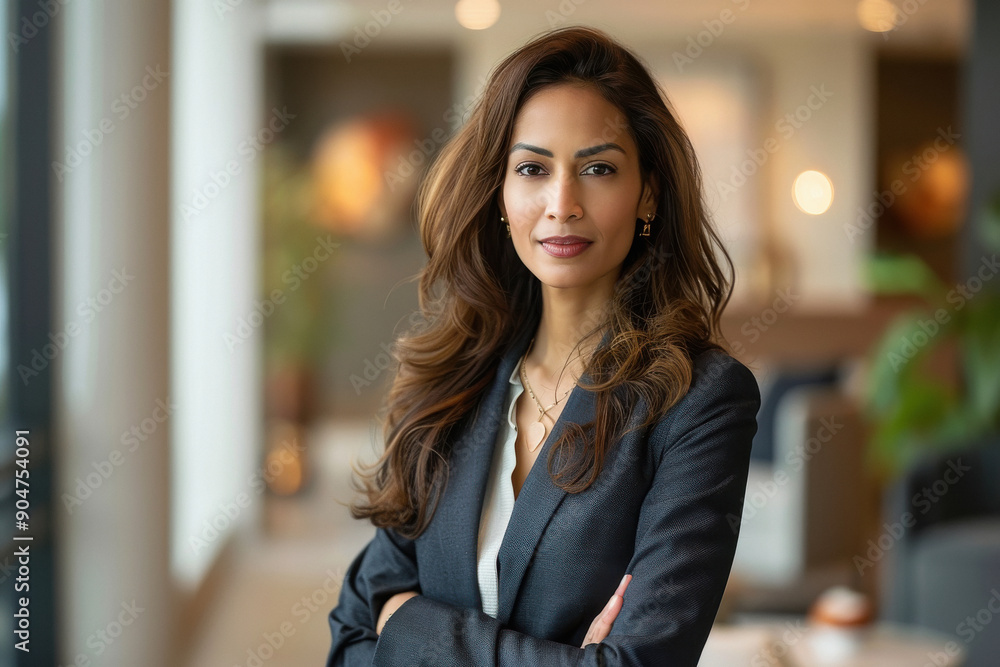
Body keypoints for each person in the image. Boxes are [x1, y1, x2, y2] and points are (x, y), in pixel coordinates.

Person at [325, 24, 760, 666]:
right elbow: (351, 638)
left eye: (598, 169)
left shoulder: (700, 401)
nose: (562, 203)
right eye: (532, 168)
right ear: (500, 194)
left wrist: (411, 626)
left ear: (649, 193)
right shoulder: (453, 378)